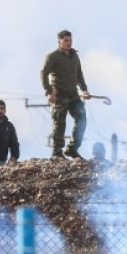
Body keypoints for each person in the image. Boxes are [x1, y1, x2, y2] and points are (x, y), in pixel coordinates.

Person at [40, 30, 91, 160]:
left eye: (70, 40)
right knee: (59, 123)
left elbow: (79, 74)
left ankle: (72, 149)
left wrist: (84, 90)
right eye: (66, 40)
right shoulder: (53, 56)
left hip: (73, 94)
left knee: (82, 119)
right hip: (59, 94)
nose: (69, 43)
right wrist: (48, 92)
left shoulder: (74, 55)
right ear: (59, 42)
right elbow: (43, 74)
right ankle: (57, 152)